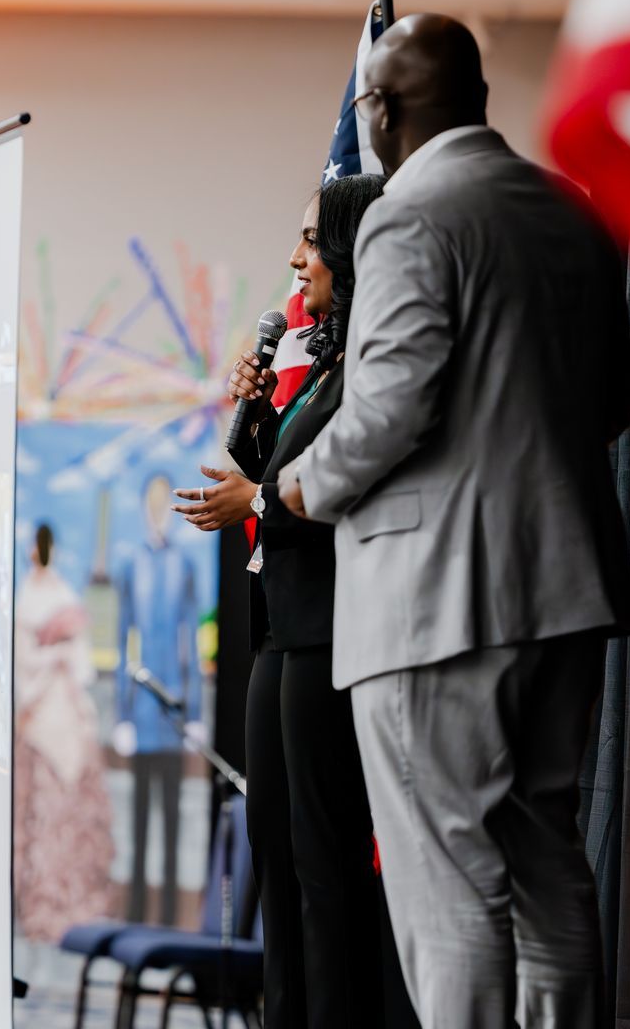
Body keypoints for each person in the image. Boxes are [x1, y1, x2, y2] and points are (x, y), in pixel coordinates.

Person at [279, 14, 630, 1029]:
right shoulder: (571, 209)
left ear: (383, 110)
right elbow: (616, 398)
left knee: (450, 893)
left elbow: (391, 407)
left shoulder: (407, 212)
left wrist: (297, 486)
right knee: (547, 860)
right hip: (565, 585)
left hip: (435, 599)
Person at [177, 175, 418, 1029]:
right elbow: (266, 473)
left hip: (334, 640)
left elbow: (338, 490)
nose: (295, 258)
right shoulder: (318, 364)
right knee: (276, 863)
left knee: (326, 870)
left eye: (311, 240)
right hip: (282, 634)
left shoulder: (378, 369)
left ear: (353, 250)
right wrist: (248, 414)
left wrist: (259, 499)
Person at [13, 522, 116, 940]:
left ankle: (73, 901)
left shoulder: (60, 595)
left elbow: (80, 660)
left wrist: (57, 657)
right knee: (41, 810)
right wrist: (48, 660)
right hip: (40, 714)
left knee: (70, 810)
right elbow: (24, 658)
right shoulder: (27, 596)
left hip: (61, 708)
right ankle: (43, 900)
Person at [112, 473, 202, 924]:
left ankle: (166, 917)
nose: (158, 507)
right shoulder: (132, 564)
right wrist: (122, 712)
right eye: (152, 500)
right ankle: (134, 915)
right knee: (140, 819)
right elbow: (122, 638)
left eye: (164, 500)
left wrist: (196, 710)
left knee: (170, 818)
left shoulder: (184, 565)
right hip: (142, 711)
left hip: (174, 714)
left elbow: (193, 639)